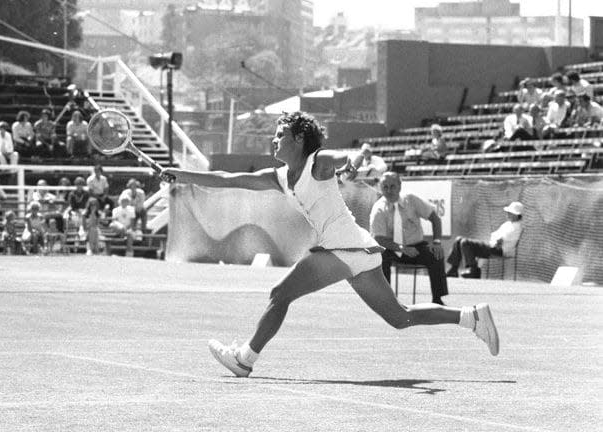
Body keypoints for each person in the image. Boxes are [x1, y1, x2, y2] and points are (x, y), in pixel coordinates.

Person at [160, 111, 500, 378]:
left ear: (298, 139)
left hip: (344, 248)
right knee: (400, 318)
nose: (274, 140)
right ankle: (471, 317)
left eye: (280, 135)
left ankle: (245, 359)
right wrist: (181, 174)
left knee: (281, 294)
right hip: (357, 252)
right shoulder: (279, 177)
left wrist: (349, 164)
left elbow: (338, 160)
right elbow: (226, 179)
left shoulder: (317, 163)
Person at [370, 171, 449, 305]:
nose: (389, 190)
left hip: (416, 247)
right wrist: (401, 248)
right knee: (380, 256)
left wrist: (436, 242)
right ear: (380, 188)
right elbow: (378, 239)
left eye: (392, 186)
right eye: (385, 187)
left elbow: (435, 219)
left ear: (400, 186)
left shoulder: (411, 199)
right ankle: (387, 301)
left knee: (436, 254)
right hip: (391, 248)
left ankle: (437, 299)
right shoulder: (378, 209)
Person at [446, 202, 524, 279]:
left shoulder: (517, 226)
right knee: (459, 240)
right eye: (509, 212)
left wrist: (497, 240)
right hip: (493, 245)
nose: (508, 214)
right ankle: (453, 269)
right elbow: (495, 235)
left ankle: (473, 271)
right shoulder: (508, 224)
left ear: (517, 215)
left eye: (511, 212)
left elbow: (501, 240)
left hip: (499, 249)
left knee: (465, 243)